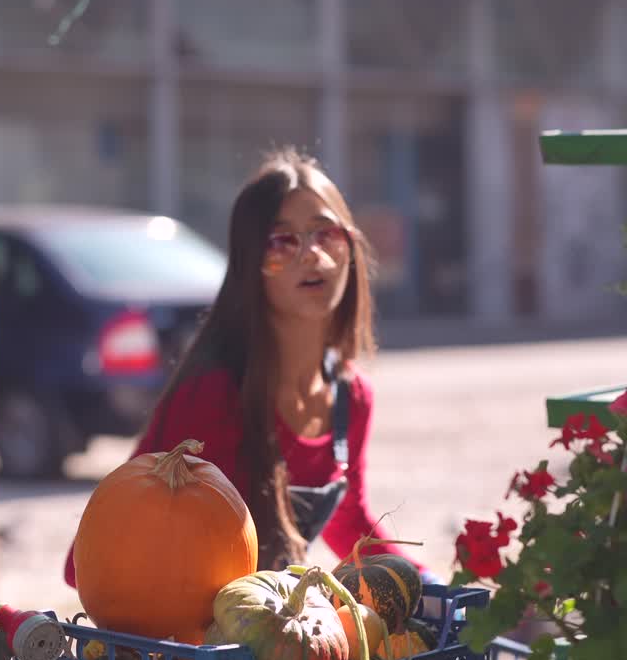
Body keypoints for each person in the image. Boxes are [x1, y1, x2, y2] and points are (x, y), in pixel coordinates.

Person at [64, 146, 434, 585]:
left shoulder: (350, 397)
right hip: (190, 639)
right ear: (249, 265)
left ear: (351, 249)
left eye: (326, 235)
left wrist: (427, 586)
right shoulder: (214, 396)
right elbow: (91, 564)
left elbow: (350, 520)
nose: (312, 256)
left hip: (265, 627)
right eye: (282, 242)